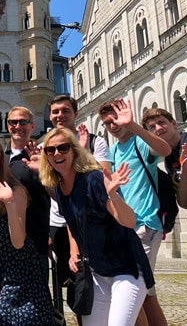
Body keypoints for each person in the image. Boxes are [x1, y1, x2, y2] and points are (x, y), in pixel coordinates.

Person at [39, 127, 155, 326]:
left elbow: (129, 222)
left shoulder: (93, 179)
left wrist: (113, 195)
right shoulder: (58, 187)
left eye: (63, 148)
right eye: (51, 150)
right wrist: (74, 250)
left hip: (127, 267)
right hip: (97, 272)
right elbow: (73, 221)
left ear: (74, 150)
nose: (57, 153)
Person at [0, 135, 54, 326]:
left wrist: (10, 203)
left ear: (1, 159)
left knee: (27, 319)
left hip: (22, 266)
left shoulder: (16, 190)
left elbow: (18, 241)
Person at [98, 98, 171, 326]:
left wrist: (134, 126)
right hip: (127, 229)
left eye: (115, 120)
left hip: (145, 225)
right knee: (146, 296)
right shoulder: (114, 150)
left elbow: (164, 149)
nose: (112, 126)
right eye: (107, 123)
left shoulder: (139, 142)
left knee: (132, 292)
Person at [142, 108, 187, 325]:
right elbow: (184, 202)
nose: (158, 128)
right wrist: (184, 174)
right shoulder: (170, 158)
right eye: (152, 127)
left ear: (174, 123)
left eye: (161, 122)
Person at [48, 95, 112, 318]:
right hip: (59, 226)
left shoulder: (95, 142)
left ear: (75, 113)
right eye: (55, 112)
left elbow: (106, 178)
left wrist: (82, 152)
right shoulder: (46, 145)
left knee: (108, 290)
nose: (60, 116)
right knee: (78, 291)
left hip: (92, 226)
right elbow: (51, 188)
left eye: (65, 111)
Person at [4, 106, 51, 276]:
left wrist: (42, 171)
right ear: (7, 125)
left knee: (37, 296)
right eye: (13, 122)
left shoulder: (44, 156)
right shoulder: (0, 157)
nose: (18, 126)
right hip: (4, 242)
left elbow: (55, 194)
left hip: (35, 241)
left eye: (23, 122)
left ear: (32, 126)